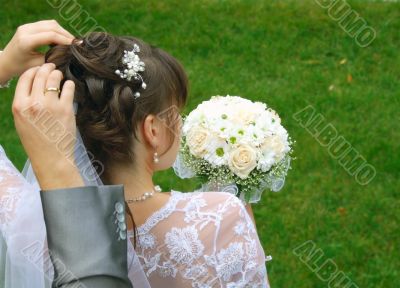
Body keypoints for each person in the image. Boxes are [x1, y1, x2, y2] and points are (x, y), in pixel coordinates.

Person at [1, 20, 271, 287]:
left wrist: (4, 65)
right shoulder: (219, 217)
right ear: (152, 130)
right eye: (176, 113)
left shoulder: (29, 228)